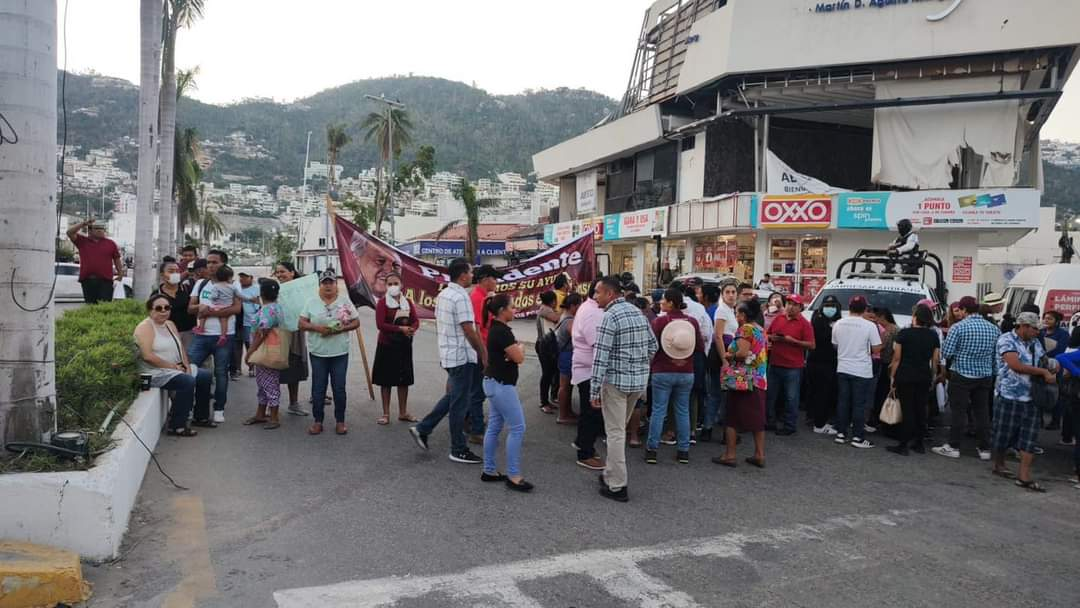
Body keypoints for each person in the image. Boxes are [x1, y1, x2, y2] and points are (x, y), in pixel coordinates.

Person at [410, 258, 488, 464]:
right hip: (461, 356)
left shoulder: (444, 294)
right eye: (471, 272)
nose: (473, 276)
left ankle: (423, 428)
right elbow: (468, 329)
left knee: (454, 396)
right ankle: (458, 448)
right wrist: (482, 352)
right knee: (460, 404)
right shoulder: (460, 296)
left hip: (449, 355)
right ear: (462, 275)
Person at [590, 277, 658, 503]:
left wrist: (594, 390)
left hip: (616, 384)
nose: (594, 297)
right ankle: (610, 474)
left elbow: (600, 357)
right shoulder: (637, 311)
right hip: (637, 383)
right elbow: (653, 346)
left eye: (598, 292)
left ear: (610, 294)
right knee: (618, 431)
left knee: (616, 434)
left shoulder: (609, 317)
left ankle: (618, 486)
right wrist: (639, 367)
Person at [991, 312, 1055, 492]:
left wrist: (1052, 366)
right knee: (1004, 434)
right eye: (1035, 329)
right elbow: (1015, 366)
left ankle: (1024, 476)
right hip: (1009, 395)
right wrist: (1042, 373)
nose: (1037, 332)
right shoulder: (1006, 340)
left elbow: (1043, 361)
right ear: (1024, 326)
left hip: (1032, 397)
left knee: (1029, 437)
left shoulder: (1035, 343)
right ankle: (999, 464)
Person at [134, 294, 211, 437]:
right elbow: (147, 356)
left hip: (175, 367)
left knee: (205, 376)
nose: (163, 311)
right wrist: (174, 367)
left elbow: (180, 347)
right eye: (159, 308)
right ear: (150, 311)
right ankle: (177, 425)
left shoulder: (170, 324)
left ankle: (201, 417)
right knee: (187, 381)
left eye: (167, 307)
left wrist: (186, 365)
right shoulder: (145, 327)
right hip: (155, 372)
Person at [933, 296, 999, 460]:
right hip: (985, 375)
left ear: (963, 310)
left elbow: (946, 352)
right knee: (982, 412)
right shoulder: (994, 329)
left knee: (958, 412)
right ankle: (984, 448)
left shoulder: (958, 327)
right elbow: (996, 356)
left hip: (961, 374)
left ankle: (954, 446)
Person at [479, 295, 534, 492]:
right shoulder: (502, 332)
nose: (515, 309)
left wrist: (515, 352)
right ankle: (513, 475)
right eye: (512, 307)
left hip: (493, 383)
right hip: (502, 385)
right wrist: (519, 348)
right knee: (518, 428)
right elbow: (518, 357)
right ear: (502, 310)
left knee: (494, 426)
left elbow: (513, 356)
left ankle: (489, 470)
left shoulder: (497, 329)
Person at [298, 269, 359, 436]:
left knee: (339, 388)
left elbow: (356, 322)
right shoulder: (311, 301)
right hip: (318, 353)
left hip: (340, 352)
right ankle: (318, 421)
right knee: (318, 388)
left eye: (330, 282)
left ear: (335, 284)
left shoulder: (344, 301)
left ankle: (340, 421)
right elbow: (302, 323)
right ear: (320, 286)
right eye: (324, 283)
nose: (328, 285)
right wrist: (317, 328)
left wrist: (340, 329)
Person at [646, 288, 703, 465]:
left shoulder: (660, 322)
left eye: (664, 300)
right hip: (686, 372)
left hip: (662, 370)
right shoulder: (692, 322)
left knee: (658, 410)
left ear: (671, 302)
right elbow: (699, 346)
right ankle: (683, 450)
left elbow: (651, 345)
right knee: (682, 410)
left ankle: (652, 450)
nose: (661, 302)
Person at [186, 250, 241, 425]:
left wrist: (208, 311)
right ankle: (188, 408)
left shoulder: (234, 285)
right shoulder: (201, 284)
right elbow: (190, 308)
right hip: (201, 336)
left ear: (223, 264)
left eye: (214, 262)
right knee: (189, 370)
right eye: (208, 262)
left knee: (221, 373)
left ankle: (219, 409)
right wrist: (201, 308)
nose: (210, 266)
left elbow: (236, 309)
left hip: (224, 337)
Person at [713, 298, 768, 468]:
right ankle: (759, 454)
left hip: (742, 380)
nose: (736, 316)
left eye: (737, 313)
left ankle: (730, 455)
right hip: (759, 379)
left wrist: (729, 356)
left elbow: (743, 353)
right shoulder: (760, 329)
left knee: (732, 418)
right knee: (758, 420)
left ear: (743, 315)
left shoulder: (745, 330)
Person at [886, 304, 941, 455]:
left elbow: (897, 358)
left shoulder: (904, 333)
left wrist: (892, 378)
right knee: (921, 409)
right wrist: (933, 376)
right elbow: (935, 360)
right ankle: (919, 443)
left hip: (905, 375)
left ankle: (903, 444)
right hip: (924, 375)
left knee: (907, 409)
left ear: (915, 317)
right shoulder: (933, 335)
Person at [831, 296, 882, 448]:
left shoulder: (838, 323)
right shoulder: (869, 326)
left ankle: (841, 433)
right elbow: (876, 348)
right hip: (862, 370)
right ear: (865, 308)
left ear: (850, 306)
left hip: (843, 367)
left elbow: (835, 345)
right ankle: (858, 437)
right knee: (859, 404)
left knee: (843, 402)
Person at [370, 272, 420, 425]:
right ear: (386, 286)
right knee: (386, 381)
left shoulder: (408, 302)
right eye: (390, 284)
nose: (393, 286)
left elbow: (415, 320)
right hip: (387, 345)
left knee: (403, 380)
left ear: (401, 285)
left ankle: (403, 412)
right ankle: (385, 413)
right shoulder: (382, 303)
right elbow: (380, 325)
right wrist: (400, 329)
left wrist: (412, 328)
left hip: (403, 345)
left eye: (395, 283)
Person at [766, 294, 814, 435]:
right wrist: (771, 338)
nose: (790, 307)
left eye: (794, 304)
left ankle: (789, 425)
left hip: (793, 367)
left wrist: (793, 341)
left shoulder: (804, 323)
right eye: (788, 303)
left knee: (791, 398)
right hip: (775, 363)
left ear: (800, 307)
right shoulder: (779, 318)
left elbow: (811, 345)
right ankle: (770, 421)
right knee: (771, 395)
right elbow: (767, 334)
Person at [572, 280, 606, 470]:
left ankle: (581, 442)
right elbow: (597, 346)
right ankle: (585, 452)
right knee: (592, 412)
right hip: (589, 369)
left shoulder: (592, 308)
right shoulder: (592, 312)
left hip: (587, 368)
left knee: (589, 411)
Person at [243, 279, 285, 430]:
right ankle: (261, 413)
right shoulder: (276, 307)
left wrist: (250, 351)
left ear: (262, 293)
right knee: (263, 383)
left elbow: (262, 333)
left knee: (269, 383)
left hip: (265, 350)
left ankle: (274, 417)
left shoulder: (267, 309)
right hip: (270, 349)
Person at [467, 265, 500, 442]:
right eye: (494, 278)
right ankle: (477, 430)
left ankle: (470, 421)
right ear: (485, 279)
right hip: (482, 350)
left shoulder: (484, 297)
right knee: (478, 392)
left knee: (476, 390)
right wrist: (484, 353)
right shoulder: (478, 298)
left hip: (485, 348)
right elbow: (477, 329)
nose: (496, 282)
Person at [704, 281, 739, 440]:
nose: (731, 295)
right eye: (728, 292)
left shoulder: (731, 311)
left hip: (728, 353)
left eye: (733, 292)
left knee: (724, 394)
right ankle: (710, 428)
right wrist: (724, 359)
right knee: (718, 393)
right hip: (721, 355)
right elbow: (718, 336)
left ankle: (718, 429)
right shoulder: (722, 311)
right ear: (722, 295)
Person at [274, 261, 310, 416]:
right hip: (277, 334)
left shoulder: (301, 290)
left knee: (294, 367)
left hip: (295, 335)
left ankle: (293, 403)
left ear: (292, 273)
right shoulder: (275, 290)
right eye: (278, 272)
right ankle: (271, 403)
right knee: (272, 369)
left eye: (283, 271)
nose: (280, 275)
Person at [66, 217, 124, 304]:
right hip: (88, 281)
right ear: (90, 231)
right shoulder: (82, 241)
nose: (100, 230)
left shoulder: (110, 244)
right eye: (97, 228)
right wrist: (84, 223)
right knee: (90, 306)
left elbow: (117, 259)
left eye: (102, 228)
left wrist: (120, 273)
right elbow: (69, 232)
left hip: (106, 281)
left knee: (104, 306)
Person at [808, 295, 842, 434]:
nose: (830, 309)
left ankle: (818, 418)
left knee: (825, 393)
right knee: (820, 393)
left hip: (831, 363)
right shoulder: (817, 320)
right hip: (818, 362)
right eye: (827, 306)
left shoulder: (839, 322)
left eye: (833, 306)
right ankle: (819, 424)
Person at [348, 232, 404, 307]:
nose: (388, 271)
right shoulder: (351, 298)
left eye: (396, 265)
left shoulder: (402, 301)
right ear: (358, 260)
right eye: (380, 261)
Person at [151, 259, 196, 350]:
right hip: (167, 334)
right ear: (162, 275)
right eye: (171, 271)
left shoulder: (188, 289)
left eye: (177, 271)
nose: (175, 274)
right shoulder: (157, 294)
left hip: (189, 333)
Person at [555, 293, 583, 425]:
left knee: (567, 386)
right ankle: (563, 415)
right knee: (565, 386)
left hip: (564, 354)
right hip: (567, 355)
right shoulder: (570, 320)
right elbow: (576, 337)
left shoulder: (564, 315)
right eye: (579, 305)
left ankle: (567, 411)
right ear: (573, 306)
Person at [869, 307, 898, 430]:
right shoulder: (882, 329)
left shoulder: (894, 330)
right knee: (878, 392)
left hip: (888, 365)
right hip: (880, 362)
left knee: (882, 392)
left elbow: (896, 350)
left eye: (876, 317)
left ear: (882, 317)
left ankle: (881, 419)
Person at [194, 264, 236, 347]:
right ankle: (223, 335)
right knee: (223, 320)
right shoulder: (232, 287)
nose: (210, 265)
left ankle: (201, 328)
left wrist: (210, 306)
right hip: (226, 307)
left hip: (216, 306)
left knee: (203, 314)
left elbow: (214, 297)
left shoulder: (217, 286)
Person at [1041, 310, 1069, 432]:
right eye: (1045, 318)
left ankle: (1055, 421)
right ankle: (1039, 419)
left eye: (1050, 319)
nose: (1046, 321)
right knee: (1040, 393)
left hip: (1056, 366)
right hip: (1041, 366)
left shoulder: (1063, 334)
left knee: (1056, 395)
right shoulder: (1041, 332)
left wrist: (1045, 354)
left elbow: (1061, 350)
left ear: (1057, 322)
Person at [535, 291, 561, 414]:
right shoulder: (545, 310)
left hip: (548, 345)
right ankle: (543, 402)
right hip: (544, 345)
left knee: (552, 373)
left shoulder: (547, 309)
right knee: (546, 375)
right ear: (552, 301)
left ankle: (550, 398)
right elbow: (557, 319)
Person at [236, 271, 261, 378]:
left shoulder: (257, 289)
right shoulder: (236, 288)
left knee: (249, 344)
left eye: (245, 277)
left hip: (250, 321)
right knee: (237, 345)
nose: (242, 279)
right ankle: (237, 368)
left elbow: (260, 304)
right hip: (237, 320)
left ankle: (251, 367)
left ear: (251, 277)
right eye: (240, 277)